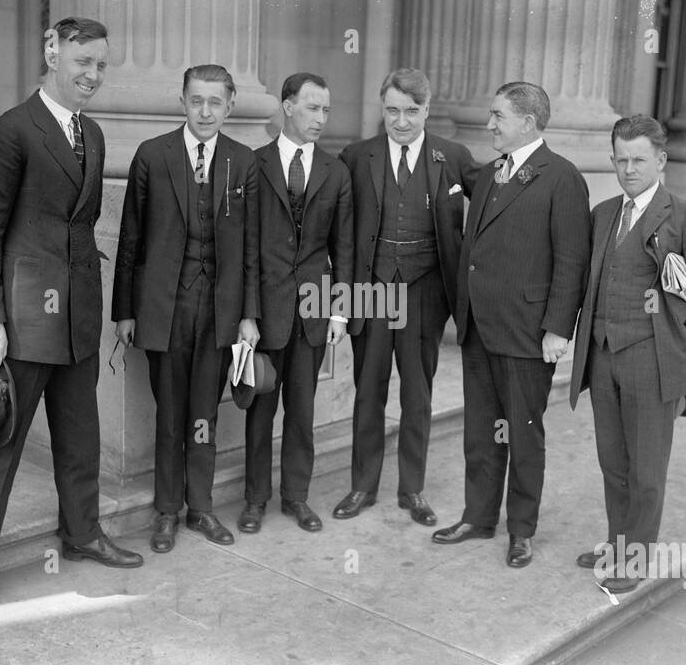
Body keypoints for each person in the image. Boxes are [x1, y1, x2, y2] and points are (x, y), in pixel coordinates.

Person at [0, 16, 143, 625]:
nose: (92, 75)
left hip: (78, 320)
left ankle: (83, 534)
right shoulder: (9, 133)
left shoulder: (94, 133)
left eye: (101, 66)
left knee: (80, 438)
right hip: (21, 321)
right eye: (82, 61)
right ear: (52, 53)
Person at [569, 114, 686, 592]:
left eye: (639, 159)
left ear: (660, 160)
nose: (629, 169)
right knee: (612, 461)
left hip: (652, 359)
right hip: (602, 355)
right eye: (621, 159)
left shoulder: (684, 216)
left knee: (646, 467)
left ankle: (635, 559)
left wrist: (680, 343)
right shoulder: (602, 216)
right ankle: (619, 543)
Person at [433, 81, 591, 568]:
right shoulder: (493, 172)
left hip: (527, 333)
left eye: (498, 116)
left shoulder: (561, 178)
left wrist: (558, 329)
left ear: (527, 121)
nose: (490, 124)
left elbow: (571, 260)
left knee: (523, 434)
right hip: (480, 327)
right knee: (482, 430)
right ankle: (478, 517)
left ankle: (521, 529)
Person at [112, 64, 261, 553]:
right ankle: (166, 512)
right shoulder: (153, 156)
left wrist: (248, 316)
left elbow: (252, 249)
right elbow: (130, 238)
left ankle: (201, 507)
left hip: (218, 313)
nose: (205, 111)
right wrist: (125, 311)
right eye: (196, 100)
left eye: (215, 102)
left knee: (204, 414)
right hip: (164, 308)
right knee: (170, 413)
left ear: (230, 105)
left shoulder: (243, 163)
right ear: (182, 101)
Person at [332, 68, 476, 528]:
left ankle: (412, 488)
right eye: (392, 110)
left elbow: (497, 203)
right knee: (368, 390)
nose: (401, 120)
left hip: (425, 292)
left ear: (427, 110)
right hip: (371, 291)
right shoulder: (357, 156)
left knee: (418, 394)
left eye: (411, 111)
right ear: (382, 108)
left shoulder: (452, 157)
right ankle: (362, 486)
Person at [238, 73, 353, 534]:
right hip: (265, 311)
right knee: (259, 412)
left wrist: (340, 311)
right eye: (311, 108)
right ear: (287, 107)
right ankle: (254, 500)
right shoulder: (254, 164)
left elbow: (344, 247)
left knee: (303, 412)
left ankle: (297, 497)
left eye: (325, 110)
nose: (320, 118)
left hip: (314, 311)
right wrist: (247, 314)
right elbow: (245, 247)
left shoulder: (336, 170)